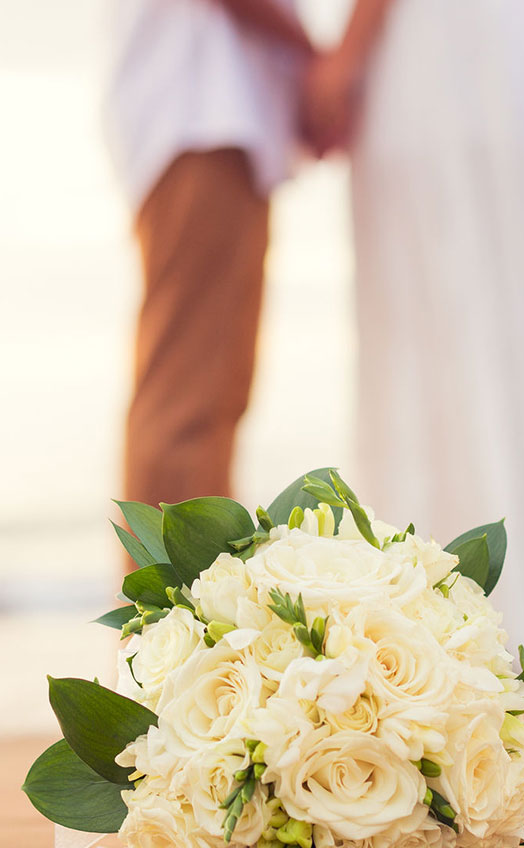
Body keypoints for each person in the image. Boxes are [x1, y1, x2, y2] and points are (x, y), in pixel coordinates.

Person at [301, 0, 524, 680]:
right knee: (493, 327)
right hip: (476, 66)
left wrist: (345, 57)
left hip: (425, 70)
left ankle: (438, 619)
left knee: (424, 327)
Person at [105, 0, 312, 508]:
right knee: (190, 404)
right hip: (202, 112)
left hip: (200, 113)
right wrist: (315, 60)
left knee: (199, 396)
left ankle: (164, 583)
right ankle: (171, 588)